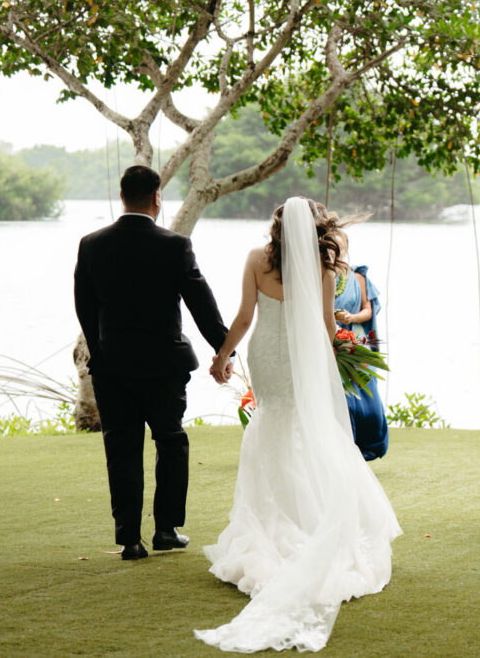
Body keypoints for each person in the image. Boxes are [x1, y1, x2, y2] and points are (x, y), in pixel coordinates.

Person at [194, 197, 401, 653]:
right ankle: (310, 519)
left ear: (278, 227)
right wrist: (319, 361)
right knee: (305, 431)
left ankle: (275, 522)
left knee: (271, 425)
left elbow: (244, 317)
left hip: (266, 354)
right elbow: (326, 327)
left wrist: (222, 355)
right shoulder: (323, 271)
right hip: (299, 358)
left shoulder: (256, 259)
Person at [73, 165, 230, 561]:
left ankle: (129, 539)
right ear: (157, 197)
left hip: (112, 368)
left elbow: (84, 306)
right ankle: (166, 530)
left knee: (121, 448)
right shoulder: (175, 245)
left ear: (122, 196)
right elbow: (201, 303)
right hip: (164, 367)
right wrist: (223, 348)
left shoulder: (91, 244)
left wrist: (99, 351)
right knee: (171, 441)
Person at [334, 255, 389, 460]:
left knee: (366, 394)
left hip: (355, 339)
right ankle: (345, 445)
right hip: (329, 339)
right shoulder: (321, 275)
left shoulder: (357, 277)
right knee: (343, 397)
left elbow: (368, 310)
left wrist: (351, 317)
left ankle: (370, 444)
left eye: (340, 248)